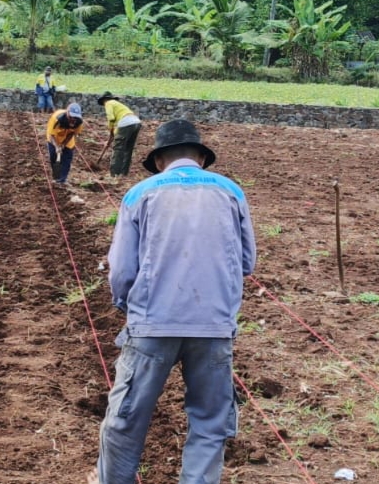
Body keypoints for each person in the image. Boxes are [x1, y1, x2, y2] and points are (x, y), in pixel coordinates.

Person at [88, 119, 257, 484]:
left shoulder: (139, 194)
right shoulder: (231, 192)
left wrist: (127, 305)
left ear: (159, 160)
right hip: (214, 326)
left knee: (125, 419)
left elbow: (121, 271)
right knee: (210, 422)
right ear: (201, 157)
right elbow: (247, 262)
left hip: (152, 323)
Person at [97, 91, 143, 176]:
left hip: (125, 123)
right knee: (128, 149)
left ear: (104, 100)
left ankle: (114, 174)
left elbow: (111, 118)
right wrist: (113, 134)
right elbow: (118, 125)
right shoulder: (118, 104)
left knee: (118, 148)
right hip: (136, 122)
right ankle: (123, 173)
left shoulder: (108, 103)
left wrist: (111, 129)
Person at [46, 103, 84, 185]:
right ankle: (56, 177)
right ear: (67, 112)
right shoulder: (56, 118)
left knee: (67, 159)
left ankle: (62, 180)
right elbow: (51, 135)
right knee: (53, 156)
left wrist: (64, 144)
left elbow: (72, 133)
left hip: (67, 140)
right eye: (71, 117)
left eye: (75, 117)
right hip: (54, 138)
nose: (73, 119)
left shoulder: (79, 122)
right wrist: (56, 146)